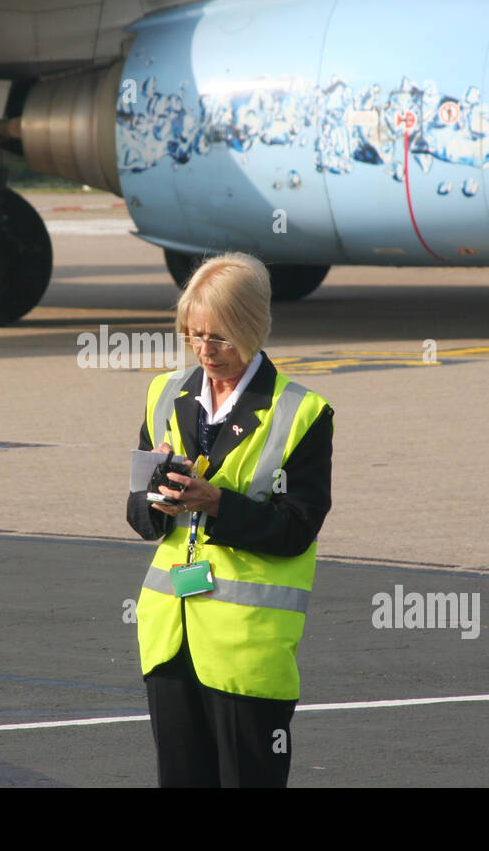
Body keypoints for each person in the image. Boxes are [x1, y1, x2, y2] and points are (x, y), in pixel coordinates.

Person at [125, 251, 333, 787]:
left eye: (218, 338)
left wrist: (216, 504)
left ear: (253, 327)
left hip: (246, 645)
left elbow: (296, 529)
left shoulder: (303, 413)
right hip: (170, 633)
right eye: (193, 336)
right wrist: (157, 501)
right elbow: (137, 515)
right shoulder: (164, 394)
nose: (204, 351)